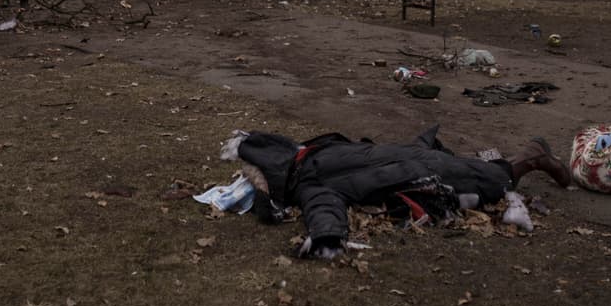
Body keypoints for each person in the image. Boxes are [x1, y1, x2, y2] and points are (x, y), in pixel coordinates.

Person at [226, 125, 571, 258]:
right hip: (410, 159)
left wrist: (326, 236)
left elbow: (323, 206)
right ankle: (530, 156)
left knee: (494, 182)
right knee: (476, 173)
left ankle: (533, 155)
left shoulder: (307, 184)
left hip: (417, 172)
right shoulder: (314, 152)